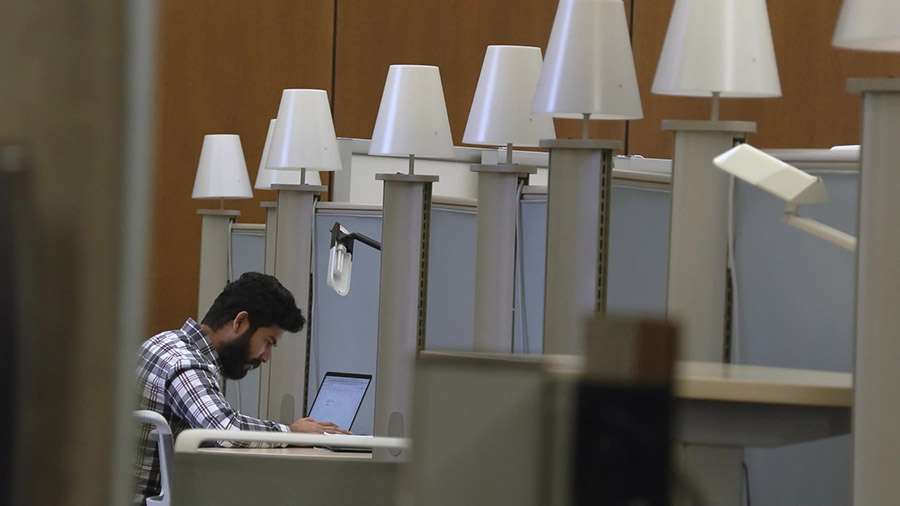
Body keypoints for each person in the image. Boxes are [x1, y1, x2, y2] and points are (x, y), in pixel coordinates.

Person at [133, 272, 346, 504]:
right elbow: (225, 431)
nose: (266, 357)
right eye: (268, 342)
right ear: (240, 322)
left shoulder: (162, 342)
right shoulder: (185, 363)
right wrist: (292, 433)